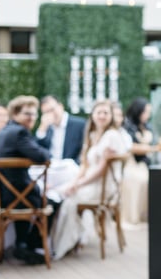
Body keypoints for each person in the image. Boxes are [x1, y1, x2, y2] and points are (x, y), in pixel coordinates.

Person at [52, 99, 127, 259]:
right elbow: (85, 165)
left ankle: (65, 244)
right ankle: (67, 240)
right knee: (60, 192)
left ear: (111, 116)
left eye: (105, 113)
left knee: (67, 200)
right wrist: (75, 182)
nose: (102, 116)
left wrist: (78, 184)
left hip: (103, 186)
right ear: (92, 115)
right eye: (99, 112)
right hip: (90, 182)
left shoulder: (112, 136)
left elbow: (101, 170)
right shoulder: (92, 135)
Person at [0, 96, 55, 265]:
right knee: (53, 201)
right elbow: (42, 155)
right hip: (16, 196)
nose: (31, 118)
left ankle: (21, 244)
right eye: (27, 114)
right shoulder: (19, 132)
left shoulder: (6, 131)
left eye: (34, 114)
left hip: (3, 195)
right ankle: (30, 246)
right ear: (15, 114)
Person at [120, 98, 159, 225]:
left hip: (147, 163)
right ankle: (133, 216)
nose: (147, 115)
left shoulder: (148, 126)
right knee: (139, 179)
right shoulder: (127, 126)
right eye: (145, 112)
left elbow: (155, 143)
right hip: (132, 163)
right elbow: (131, 147)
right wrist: (153, 148)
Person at [35, 95, 86, 164]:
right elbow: (37, 150)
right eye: (46, 112)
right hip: (51, 168)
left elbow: (85, 149)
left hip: (73, 168)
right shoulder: (46, 128)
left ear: (61, 106)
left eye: (52, 109)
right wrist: (42, 129)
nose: (50, 114)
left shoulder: (80, 124)